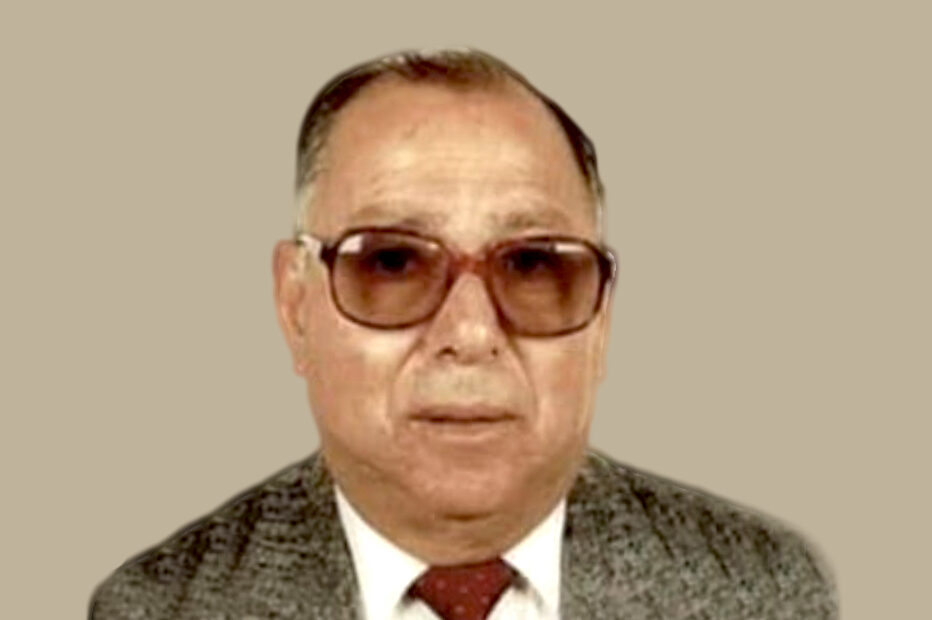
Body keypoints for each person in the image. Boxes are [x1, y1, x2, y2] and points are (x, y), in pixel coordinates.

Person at [89, 48, 837, 620]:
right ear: (295, 307)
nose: (472, 333)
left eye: (533, 263)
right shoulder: (156, 609)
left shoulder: (766, 594)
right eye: (392, 262)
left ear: (603, 318)